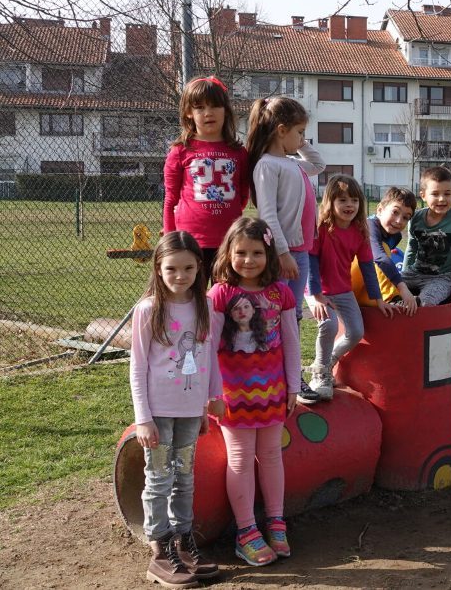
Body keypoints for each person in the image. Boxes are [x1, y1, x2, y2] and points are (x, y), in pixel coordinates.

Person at [130, 231, 224, 588]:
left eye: (188, 268)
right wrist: (143, 418)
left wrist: (206, 404)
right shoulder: (148, 310)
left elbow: (208, 359)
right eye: (172, 268)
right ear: (158, 268)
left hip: (189, 414)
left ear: (199, 268)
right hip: (157, 415)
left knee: (184, 475)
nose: (180, 276)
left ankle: (184, 542)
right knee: (158, 478)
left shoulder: (205, 306)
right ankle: (159, 547)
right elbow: (137, 367)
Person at [208, 217, 301, 566]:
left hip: (273, 393)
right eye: (241, 252)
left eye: (257, 253)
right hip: (234, 396)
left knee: (273, 456)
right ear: (228, 253)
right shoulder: (219, 295)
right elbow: (207, 347)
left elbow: (292, 343)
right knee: (240, 459)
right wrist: (213, 393)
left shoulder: (281, 293)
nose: (248, 260)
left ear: (269, 254)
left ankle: (276, 522)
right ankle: (246, 532)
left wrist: (294, 385)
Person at [306, 175, 398, 400]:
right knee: (328, 325)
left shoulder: (359, 232)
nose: (349, 205)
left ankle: (325, 363)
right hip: (318, 290)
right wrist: (316, 295)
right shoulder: (321, 228)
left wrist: (378, 299)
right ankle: (320, 375)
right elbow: (311, 261)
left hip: (342, 290)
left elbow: (368, 268)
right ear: (330, 203)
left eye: (354, 200)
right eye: (343, 200)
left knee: (356, 332)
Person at [162, 76, 249, 281]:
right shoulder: (180, 151)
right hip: (190, 242)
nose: (208, 113)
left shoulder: (239, 152)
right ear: (188, 113)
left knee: (227, 300)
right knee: (193, 302)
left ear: (225, 110)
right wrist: (170, 240)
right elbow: (170, 199)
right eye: (199, 107)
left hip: (229, 242)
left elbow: (243, 194)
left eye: (215, 106)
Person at [245, 96, 325, 314]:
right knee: (276, 311)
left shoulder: (291, 162)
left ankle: (292, 349)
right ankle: (275, 349)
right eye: (299, 132)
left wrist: (300, 140)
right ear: (281, 131)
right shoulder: (267, 165)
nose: (302, 139)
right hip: (284, 254)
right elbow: (268, 216)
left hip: (301, 252)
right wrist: (282, 254)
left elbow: (319, 164)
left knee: (294, 312)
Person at [402, 167, 451, 308]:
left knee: (427, 302)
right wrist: (402, 279)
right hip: (415, 273)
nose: (442, 199)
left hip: (442, 278)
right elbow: (411, 249)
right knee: (386, 287)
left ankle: (416, 306)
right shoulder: (416, 218)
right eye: (435, 194)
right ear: (423, 195)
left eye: (447, 194)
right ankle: (399, 306)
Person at [351, 186, 418, 313]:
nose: (399, 221)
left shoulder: (396, 236)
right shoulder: (369, 226)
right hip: (346, 286)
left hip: (364, 290)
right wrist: (402, 288)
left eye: (405, 217)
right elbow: (379, 258)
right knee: (383, 251)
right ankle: (391, 297)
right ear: (380, 210)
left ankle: (387, 297)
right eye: (395, 212)